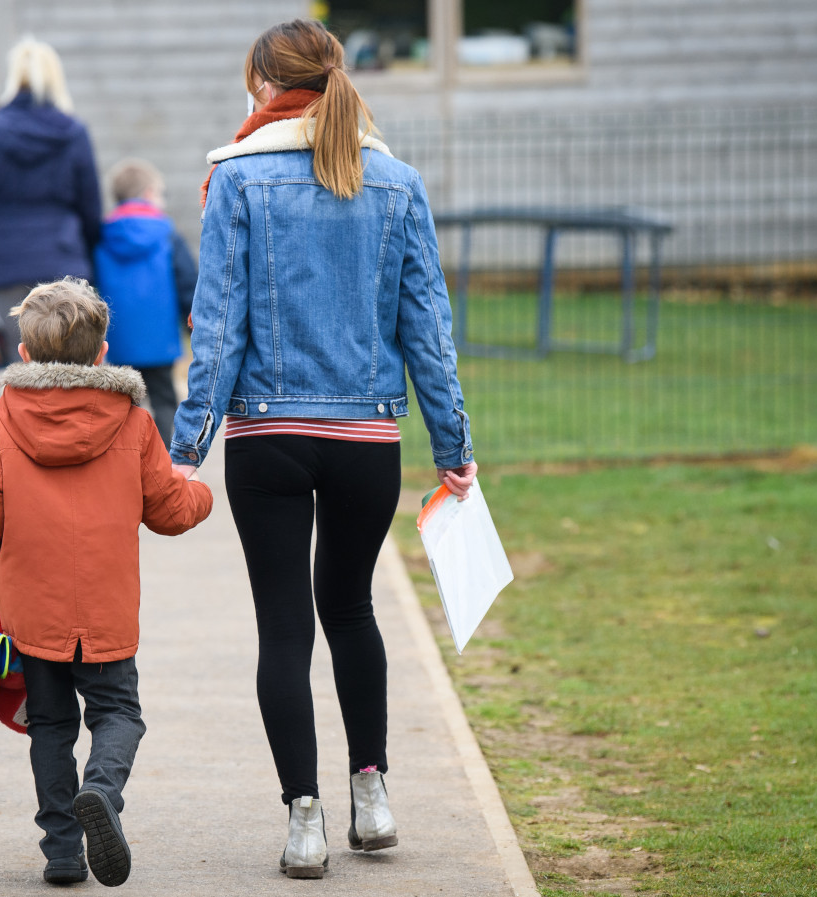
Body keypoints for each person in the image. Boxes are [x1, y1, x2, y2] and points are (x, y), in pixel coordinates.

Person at [168, 19, 479, 879]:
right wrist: (453, 444)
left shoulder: (232, 179)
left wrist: (185, 445)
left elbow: (219, 326)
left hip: (266, 437)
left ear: (264, 83)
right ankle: (371, 794)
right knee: (351, 609)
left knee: (283, 627)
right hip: (366, 439)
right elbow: (428, 329)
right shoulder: (398, 180)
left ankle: (304, 819)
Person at [0, 277, 213, 887]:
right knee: (119, 711)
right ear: (101, 355)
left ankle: (63, 852)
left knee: (49, 725)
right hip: (107, 605)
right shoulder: (131, 421)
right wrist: (202, 493)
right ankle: (101, 790)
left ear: (23, 355)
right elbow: (171, 510)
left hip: (32, 607)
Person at [0, 38, 102, 367]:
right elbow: (90, 210)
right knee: (74, 371)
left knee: (20, 370)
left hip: (4, 267)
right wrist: (90, 257)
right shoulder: (74, 133)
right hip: (65, 264)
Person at [92, 158, 199, 444]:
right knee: (165, 401)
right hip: (160, 342)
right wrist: (196, 333)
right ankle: (165, 464)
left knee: (123, 406)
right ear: (150, 192)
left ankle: (125, 464)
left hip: (116, 343)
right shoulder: (167, 234)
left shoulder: (101, 236)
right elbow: (188, 284)